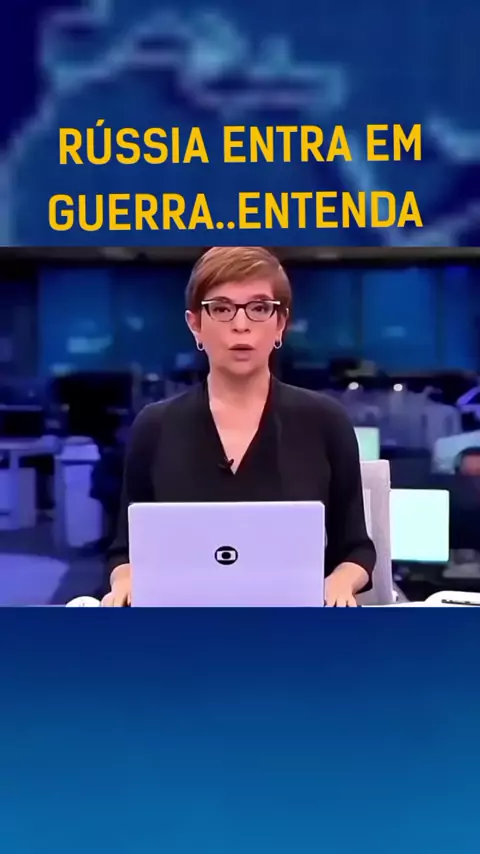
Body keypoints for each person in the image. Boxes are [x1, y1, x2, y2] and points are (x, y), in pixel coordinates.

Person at [103, 246, 376, 606]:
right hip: (182, 623)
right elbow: (124, 551)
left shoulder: (326, 420)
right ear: (195, 325)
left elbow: (356, 549)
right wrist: (125, 580)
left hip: (294, 626)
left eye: (259, 308)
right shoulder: (154, 427)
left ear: (280, 324)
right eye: (221, 309)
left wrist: (340, 582)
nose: (241, 324)